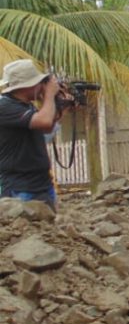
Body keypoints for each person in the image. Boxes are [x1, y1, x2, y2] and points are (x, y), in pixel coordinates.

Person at [0, 59, 73, 211]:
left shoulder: (26, 105)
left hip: (41, 183)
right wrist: (49, 95)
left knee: (49, 229)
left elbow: (46, 129)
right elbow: (44, 121)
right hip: (20, 186)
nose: (41, 86)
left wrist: (61, 108)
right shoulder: (5, 106)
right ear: (27, 85)